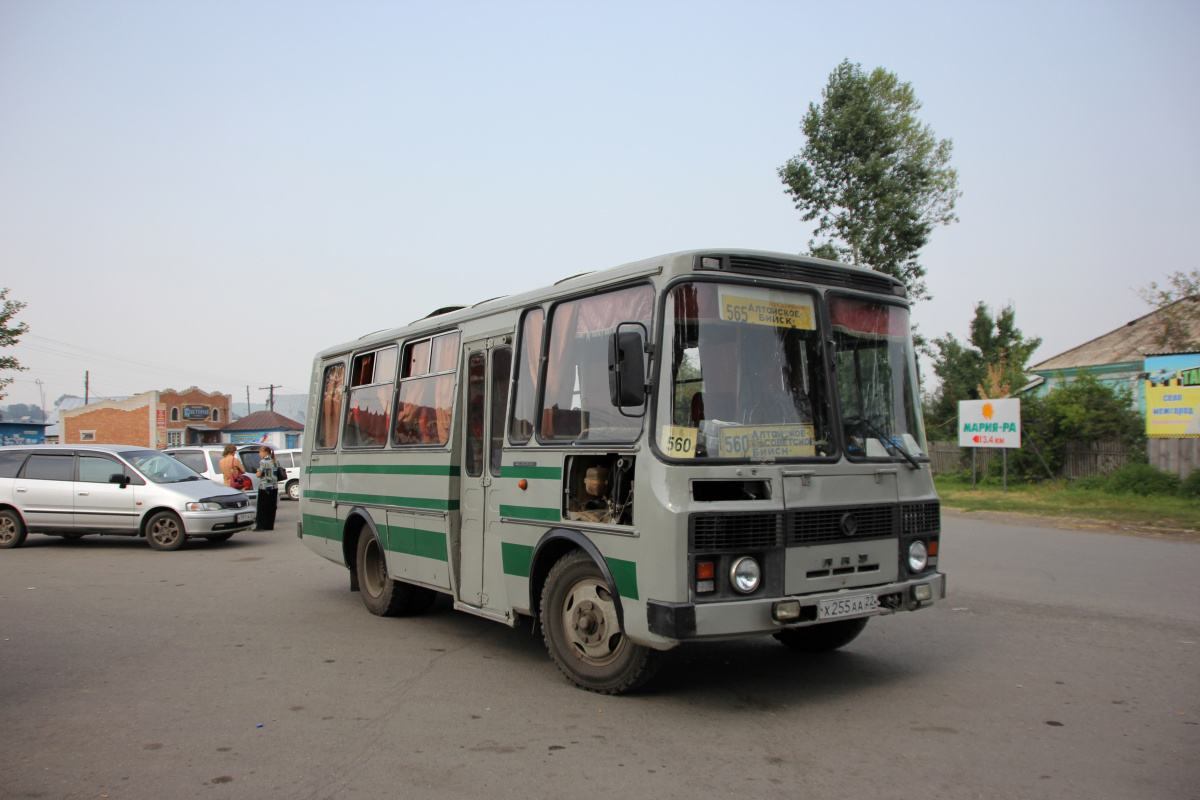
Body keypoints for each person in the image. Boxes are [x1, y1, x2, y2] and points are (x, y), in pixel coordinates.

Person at [254, 445, 279, 531]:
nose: (259, 454)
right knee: (271, 507)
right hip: (274, 486)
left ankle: (260, 526)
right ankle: (269, 525)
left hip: (265, 486)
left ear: (265, 452)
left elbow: (259, 474)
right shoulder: (275, 461)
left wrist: (257, 471)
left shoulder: (263, 462)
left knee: (262, 507)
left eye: (260, 452)